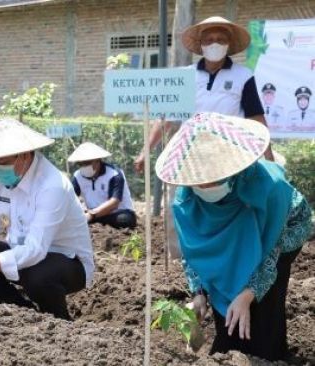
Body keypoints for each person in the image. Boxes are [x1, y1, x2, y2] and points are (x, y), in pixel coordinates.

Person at [155, 112, 312, 361]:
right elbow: (194, 253)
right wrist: (199, 293)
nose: (205, 187)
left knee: (264, 305)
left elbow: (270, 253)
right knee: (226, 299)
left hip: (283, 229)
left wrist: (248, 294)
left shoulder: (268, 188)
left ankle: (272, 353)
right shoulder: (186, 202)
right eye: (200, 181)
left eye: (213, 178)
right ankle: (229, 348)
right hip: (235, 241)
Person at [133, 16, 274, 258]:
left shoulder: (243, 76)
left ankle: (227, 259)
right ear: (200, 45)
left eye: (220, 39)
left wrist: (269, 161)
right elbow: (165, 119)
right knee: (181, 206)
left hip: (230, 154)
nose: (214, 44)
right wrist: (146, 150)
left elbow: (256, 120)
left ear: (229, 43)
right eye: (209, 40)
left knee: (229, 208)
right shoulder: (185, 76)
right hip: (189, 153)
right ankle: (183, 263)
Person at [0, 118, 94, 320]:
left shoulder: (52, 185)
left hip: (68, 262)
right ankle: (19, 314)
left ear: (24, 156)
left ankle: (59, 320)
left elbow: (36, 249)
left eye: (3, 162)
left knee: (37, 275)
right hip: (22, 253)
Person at [68, 142, 136, 229]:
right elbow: (70, 197)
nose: (84, 166)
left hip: (116, 213)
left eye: (87, 163)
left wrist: (92, 215)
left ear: (98, 160)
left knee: (124, 220)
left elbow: (114, 202)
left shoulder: (114, 174)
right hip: (94, 215)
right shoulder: (78, 176)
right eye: (80, 164)